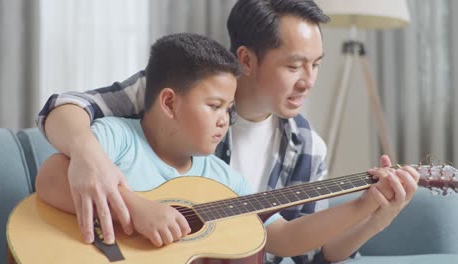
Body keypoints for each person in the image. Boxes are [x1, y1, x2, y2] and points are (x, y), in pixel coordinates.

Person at [36, 0, 419, 263]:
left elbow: (295, 245)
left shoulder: (299, 150)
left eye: (316, 65)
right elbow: (65, 110)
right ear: (246, 60)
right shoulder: (178, 86)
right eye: (294, 66)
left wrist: (371, 211)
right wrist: (90, 160)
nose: (309, 81)